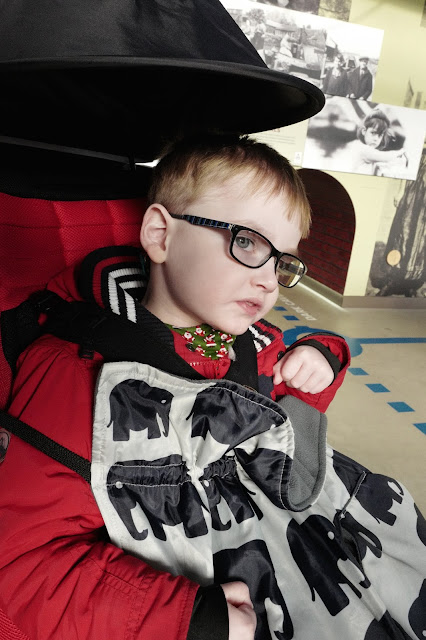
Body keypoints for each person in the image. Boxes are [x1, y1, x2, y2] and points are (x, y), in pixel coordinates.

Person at [0, 133, 352, 640]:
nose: (269, 281)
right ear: (161, 235)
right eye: (247, 242)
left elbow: (286, 424)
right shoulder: (78, 371)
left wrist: (319, 358)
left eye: (282, 261)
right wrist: (192, 620)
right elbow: (25, 564)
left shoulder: (249, 346)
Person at [350, 108, 408, 175]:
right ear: (364, 131)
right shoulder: (364, 149)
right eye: (373, 133)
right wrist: (401, 151)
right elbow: (386, 157)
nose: (376, 139)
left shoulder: (369, 152)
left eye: (380, 136)